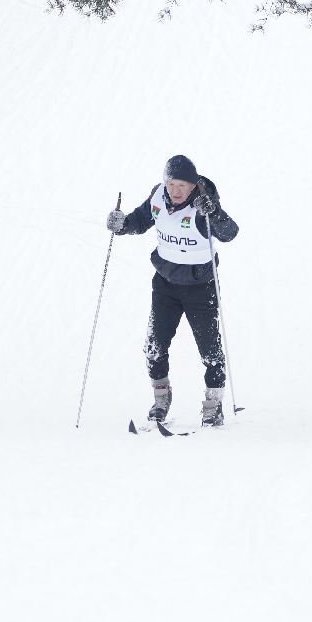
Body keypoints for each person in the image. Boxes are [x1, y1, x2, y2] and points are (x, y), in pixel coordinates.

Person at [106, 155, 239, 426]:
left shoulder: (204, 205)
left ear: (193, 186)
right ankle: (161, 399)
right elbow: (140, 220)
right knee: (154, 347)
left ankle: (213, 404)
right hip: (165, 284)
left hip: (200, 287)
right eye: (171, 184)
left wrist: (213, 212)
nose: (175, 191)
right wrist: (122, 225)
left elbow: (229, 233)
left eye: (182, 185)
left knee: (210, 352)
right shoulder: (158, 197)